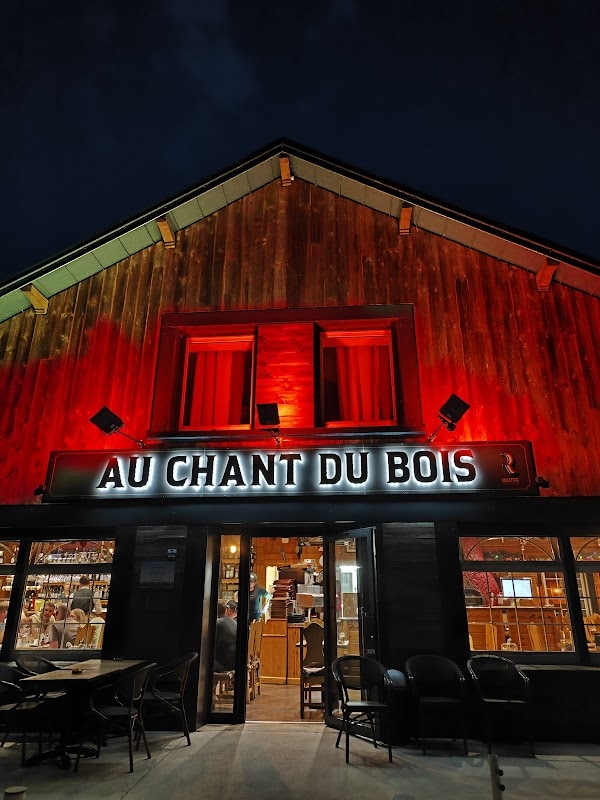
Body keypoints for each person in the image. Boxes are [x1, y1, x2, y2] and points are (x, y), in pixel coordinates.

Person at [214, 599, 237, 672]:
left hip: (226, 665)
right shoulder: (233, 621)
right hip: (236, 661)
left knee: (201, 660)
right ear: (226, 610)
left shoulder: (217, 623)